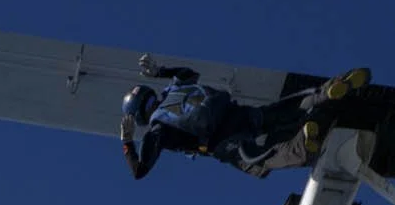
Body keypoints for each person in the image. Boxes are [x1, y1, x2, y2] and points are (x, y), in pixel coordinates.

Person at [121, 60, 369, 181]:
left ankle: (303, 144)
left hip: (222, 141)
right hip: (237, 114)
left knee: (261, 158)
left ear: (138, 115)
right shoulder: (174, 88)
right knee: (283, 109)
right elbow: (190, 73)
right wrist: (160, 72)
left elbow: (139, 171)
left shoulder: (157, 128)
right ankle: (327, 91)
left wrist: (128, 142)